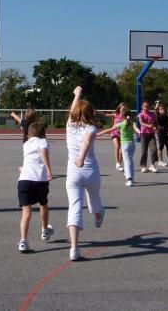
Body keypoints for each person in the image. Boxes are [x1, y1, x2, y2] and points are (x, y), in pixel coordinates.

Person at [65, 86, 105, 261]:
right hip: (90, 171)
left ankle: (74, 248)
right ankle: (97, 218)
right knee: (94, 199)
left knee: (75, 207)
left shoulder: (69, 125)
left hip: (73, 172)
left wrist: (77, 94)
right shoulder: (92, 129)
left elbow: (73, 110)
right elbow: (87, 141)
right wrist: (82, 157)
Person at [17, 122, 54, 253]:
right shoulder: (43, 142)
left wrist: (23, 168)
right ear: (44, 134)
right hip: (39, 180)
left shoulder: (26, 144)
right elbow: (43, 152)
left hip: (24, 179)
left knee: (26, 213)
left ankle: (23, 241)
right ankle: (44, 230)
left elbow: (29, 160)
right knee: (43, 204)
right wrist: (49, 170)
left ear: (29, 134)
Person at [97, 106, 140, 186]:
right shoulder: (132, 123)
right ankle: (132, 177)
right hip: (132, 144)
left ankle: (129, 179)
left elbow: (108, 130)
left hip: (125, 145)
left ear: (122, 116)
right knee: (130, 161)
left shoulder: (120, 124)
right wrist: (140, 132)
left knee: (127, 162)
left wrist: (97, 134)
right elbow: (137, 129)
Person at [97, 103, 126, 172]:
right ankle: (117, 163)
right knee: (117, 146)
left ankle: (119, 164)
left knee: (122, 151)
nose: (123, 110)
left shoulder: (125, 117)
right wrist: (96, 111)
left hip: (122, 135)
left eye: (124, 109)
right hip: (114, 133)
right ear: (119, 109)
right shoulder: (116, 115)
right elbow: (105, 115)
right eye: (122, 109)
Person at [138, 100, 159, 173]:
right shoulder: (141, 114)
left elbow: (155, 123)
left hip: (151, 134)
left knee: (154, 149)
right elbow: (141, 123)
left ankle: (152, 165)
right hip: (144, 134)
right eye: (144, 107)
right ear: (142, 107)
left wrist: (156, 127)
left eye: (147, 107)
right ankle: (143, 166)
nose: (146, 108)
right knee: (144, 151)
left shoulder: (153, 114)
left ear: (149, 107)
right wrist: (148, 125)